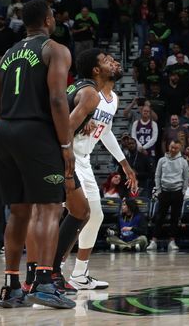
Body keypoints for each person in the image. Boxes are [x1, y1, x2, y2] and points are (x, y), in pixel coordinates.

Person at [0, 0, 76, 309]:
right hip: (37, 134)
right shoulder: (55, 49)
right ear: (49, 20)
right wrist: (66, 146)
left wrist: (14, 124)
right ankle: (44, 282)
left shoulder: (9, 54)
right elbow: (57, 99)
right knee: (50, 208)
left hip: (7, 131)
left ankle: (11, 286)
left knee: (20, 211)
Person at [62, 51, 138, 290]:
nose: (115, 62)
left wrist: (124, 164)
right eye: (107, 60)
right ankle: (51, 272)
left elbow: (104, 131)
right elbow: (64, 125)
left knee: (95, 215)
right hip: (67, 156)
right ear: (96, 70)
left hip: (83, 160)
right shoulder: (85, 93)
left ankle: (79, 275)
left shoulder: (112, 99)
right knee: (78, 214)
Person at [148, 141, 189, 252]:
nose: (173, 150)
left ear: (179, 149)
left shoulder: (183, 162)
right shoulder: (162, 160)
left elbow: (186, 178)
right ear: (168, 147)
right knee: (159, 217)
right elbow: (157, 176)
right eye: (171, 147)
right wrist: (159, 190)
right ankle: (153, 241)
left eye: (175, 148)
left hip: (177, 192)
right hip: (164, 192)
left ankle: (172, 241)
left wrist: (183, 191)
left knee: (175, 218)